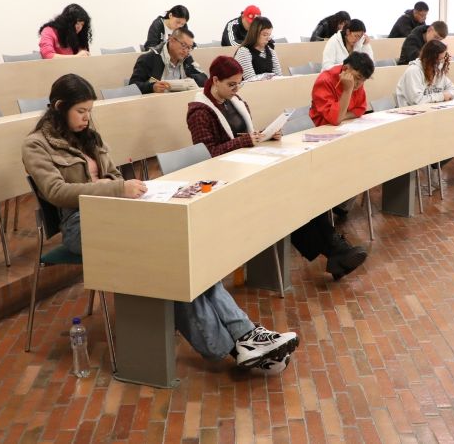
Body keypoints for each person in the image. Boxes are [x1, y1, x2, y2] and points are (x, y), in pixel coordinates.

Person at [25, 73, 299, 375]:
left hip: (118, 211)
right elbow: (56, 192)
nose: (87, 118)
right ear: (60, 106)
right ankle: (237, 342)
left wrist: (118, 186)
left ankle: (244, 337)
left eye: (90, 111)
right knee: (166, 258)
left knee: (177, 250)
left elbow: (114, 174)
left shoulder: (89, 137)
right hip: (82, 223)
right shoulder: (37, 145)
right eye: (81, 111)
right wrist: (115, 188)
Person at [297, 51, 374, 280]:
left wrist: (343, 112)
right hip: (317, 143)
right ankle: (338, 252)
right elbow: (335, 119)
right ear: (345, 69)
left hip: (337, 140)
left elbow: (359, 110)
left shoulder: (356, 84)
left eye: (362, 81)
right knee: (309, 203)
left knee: (316, 203)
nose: (358, 84)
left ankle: (338, 254)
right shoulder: (325, 80)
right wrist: (348, 91)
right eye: (356, 78)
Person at [187, 56, 282, 156]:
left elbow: (243, 136)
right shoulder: (199, 113)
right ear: (215, 81)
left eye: (239, 84)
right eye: (231, 84)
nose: (236, 89)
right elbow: (207, 153)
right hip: (222, 167)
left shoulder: (236, 101)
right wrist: (242, 141)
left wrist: (265, 135)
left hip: (244, 158)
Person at [129, 27, 207, 94]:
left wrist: (190, 80)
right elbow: (132, 87)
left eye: (190, 47)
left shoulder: (187, 59)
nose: (186, 51)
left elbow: (204, 78)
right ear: (171, 40)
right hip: (155, 104)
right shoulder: (149, 59)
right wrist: (152, 87)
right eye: (183, 45)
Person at [395, 40, 454, 106]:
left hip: (431, 110)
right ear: (429, 59)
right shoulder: (413, 71)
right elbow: (417, 101)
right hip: (412, 113)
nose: (441, 62)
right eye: (439, 60)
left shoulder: (438, 69)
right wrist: (442, 96)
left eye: (443, 58)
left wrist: (446, 95)